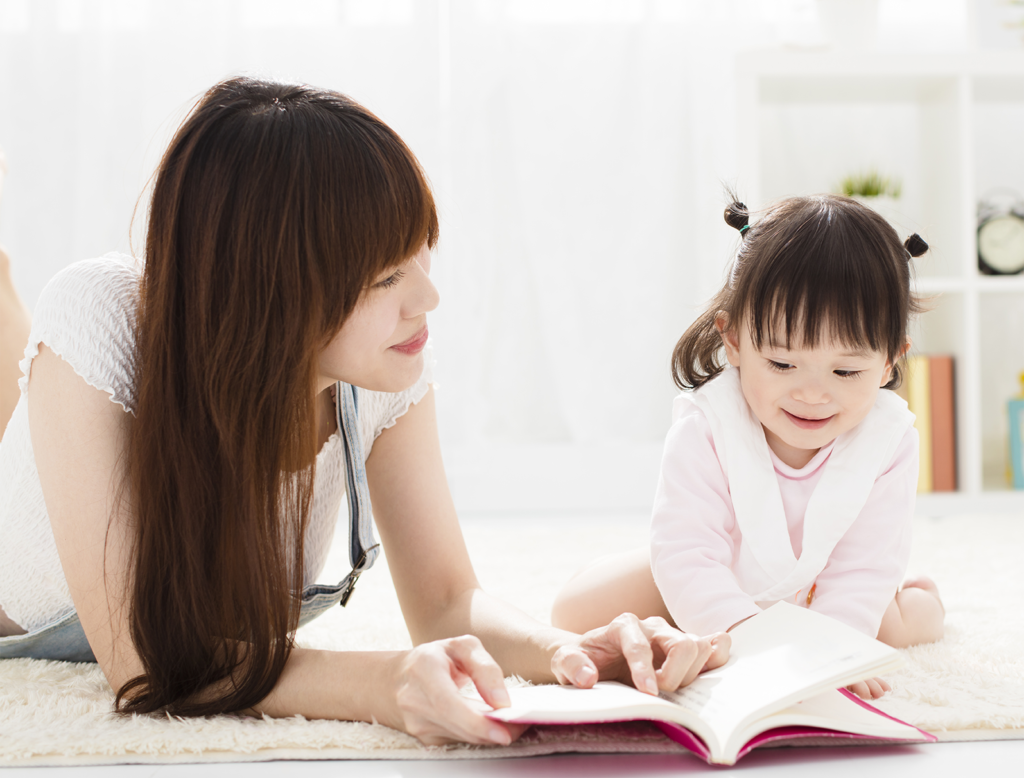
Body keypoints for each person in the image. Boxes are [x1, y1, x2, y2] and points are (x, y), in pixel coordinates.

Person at [0, 77, 729, 745]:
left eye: (420, 256)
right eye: (386, 277)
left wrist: (565, 651)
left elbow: (445, 601)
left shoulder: (385, 368)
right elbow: (142, 665)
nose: (427, 300)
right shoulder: (100, 316)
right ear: (267, 287)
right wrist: (382, 683)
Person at [551, 194, 945, 701]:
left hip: (822, 578)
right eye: (782, 364)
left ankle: (918, 593)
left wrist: (827, 651)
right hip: (716, 565)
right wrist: (745, 639)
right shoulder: (709, 424)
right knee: (573, 612)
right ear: (733, 339)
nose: (812, 393)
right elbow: (687, 553)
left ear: (891, 361)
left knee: (893, 625)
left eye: (846, 371)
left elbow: (861, 570)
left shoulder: (888, 440)